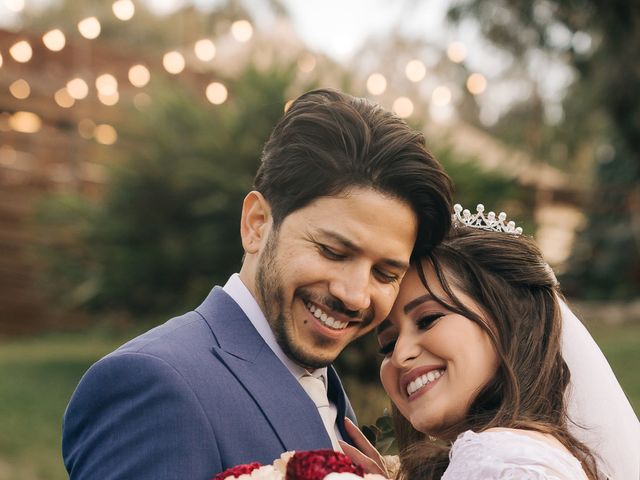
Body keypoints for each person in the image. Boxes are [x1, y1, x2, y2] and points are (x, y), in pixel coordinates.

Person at [61, 88, 453, 479]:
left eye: (385, 274)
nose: (354, 295)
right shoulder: (153, 384)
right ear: (257, 225)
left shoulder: (328, 390)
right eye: (333, 252)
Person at [342, 205, 640, 479]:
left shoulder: (496, 462)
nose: (400, 355)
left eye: (428, 319)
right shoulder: (524, 455)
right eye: (388, 345)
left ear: (509, 323)